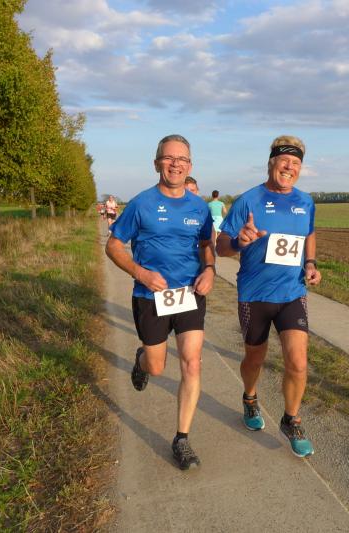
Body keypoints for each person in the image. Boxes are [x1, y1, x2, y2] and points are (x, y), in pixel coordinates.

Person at [105, 134, 215, 470]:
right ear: (157, 164)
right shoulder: (141, 204)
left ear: (190, 166)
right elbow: (113, 246)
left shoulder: (199, 207)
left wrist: (210, 269)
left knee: (192, 363)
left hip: (189, 294)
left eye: (182, 159)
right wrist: (141, 273)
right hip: (150, 297)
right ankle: (142, 360)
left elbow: (206, 245)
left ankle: (181, 438)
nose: (175, 164)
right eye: (169, 158)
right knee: (157, 366)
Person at [216, 135, 321, 458]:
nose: (290, 168)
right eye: (284, 161)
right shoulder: (249, 200)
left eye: (296, 163)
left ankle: (292, 419)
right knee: (255, 358)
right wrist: (239, 242)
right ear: (272, 163)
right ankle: (250, 397)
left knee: (298, 362)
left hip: (292, 293)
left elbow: (309, 232)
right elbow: (221, 246)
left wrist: (310, 263)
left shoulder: (306, 201)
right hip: (255, 295)